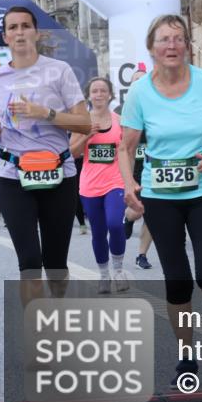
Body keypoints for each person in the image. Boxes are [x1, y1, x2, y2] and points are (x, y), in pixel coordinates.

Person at [119, 14, 202, 388]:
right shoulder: (140, 92)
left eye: (178, 39)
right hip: (160, 195)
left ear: (187, 45)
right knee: (177, 281)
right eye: (164, 40)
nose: (172, 46)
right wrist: (129, 185)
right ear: (151, 48)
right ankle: (187, 357)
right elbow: (125, 147)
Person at [0, 6, 91, 302]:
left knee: (55, 265)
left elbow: (85, 122)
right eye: (13, 28)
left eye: (25, 26)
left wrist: (45, 113)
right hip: (12, 176)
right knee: (29, 263)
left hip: (58, 174)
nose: (19, 32)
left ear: (36, 32)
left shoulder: (59, 70)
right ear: (5, 36)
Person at [71, 76, 129, 293]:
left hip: (115, 181)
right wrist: (87, 136)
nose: (98, 95)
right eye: (94, 91)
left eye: (103, 91)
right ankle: (104, 275)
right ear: (89, 95)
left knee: (115, 224)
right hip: (90, 185)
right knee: (98, 231)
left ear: (110, 94)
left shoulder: (119, 120)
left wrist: (129, 180)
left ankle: (118, 270)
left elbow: (126, 151)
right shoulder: (82, 121)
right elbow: (73, 152)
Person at [123, 67, 155, 270]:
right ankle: (127, 217)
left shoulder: (157, 108)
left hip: (155, 170)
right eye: (135, 80)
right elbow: (125, 150)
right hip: (135, 172)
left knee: (151, 212)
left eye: (143, 80)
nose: (139, 83)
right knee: (137, 211)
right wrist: (128, 181)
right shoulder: (127, 112)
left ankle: (141, 255)